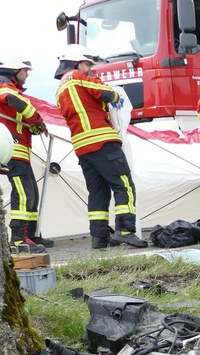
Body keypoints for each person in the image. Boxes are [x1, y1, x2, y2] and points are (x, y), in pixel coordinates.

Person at [55, 45, 147, 249]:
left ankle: (100, 237)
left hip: (81, 146)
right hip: (102, 140)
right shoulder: (80, 76)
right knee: (124, 185)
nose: (90, 68)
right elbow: (107, 93)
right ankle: (126, 230)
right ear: (77, 62)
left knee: (98, 192)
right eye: (87, 63)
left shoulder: (60, 89)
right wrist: (115, 97)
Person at [0, 56, 53, 253]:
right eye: (25, 71)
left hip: (20, 150)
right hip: (13, 151)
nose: (27, 75)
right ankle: (18, 239)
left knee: (30, 192)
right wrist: (37, 119)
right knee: (24, 194)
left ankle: (31, 234)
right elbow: (14, 100)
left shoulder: (8, 85)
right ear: (13, 69)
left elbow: (15, 115)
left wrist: (32, 128)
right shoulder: (1, 83)